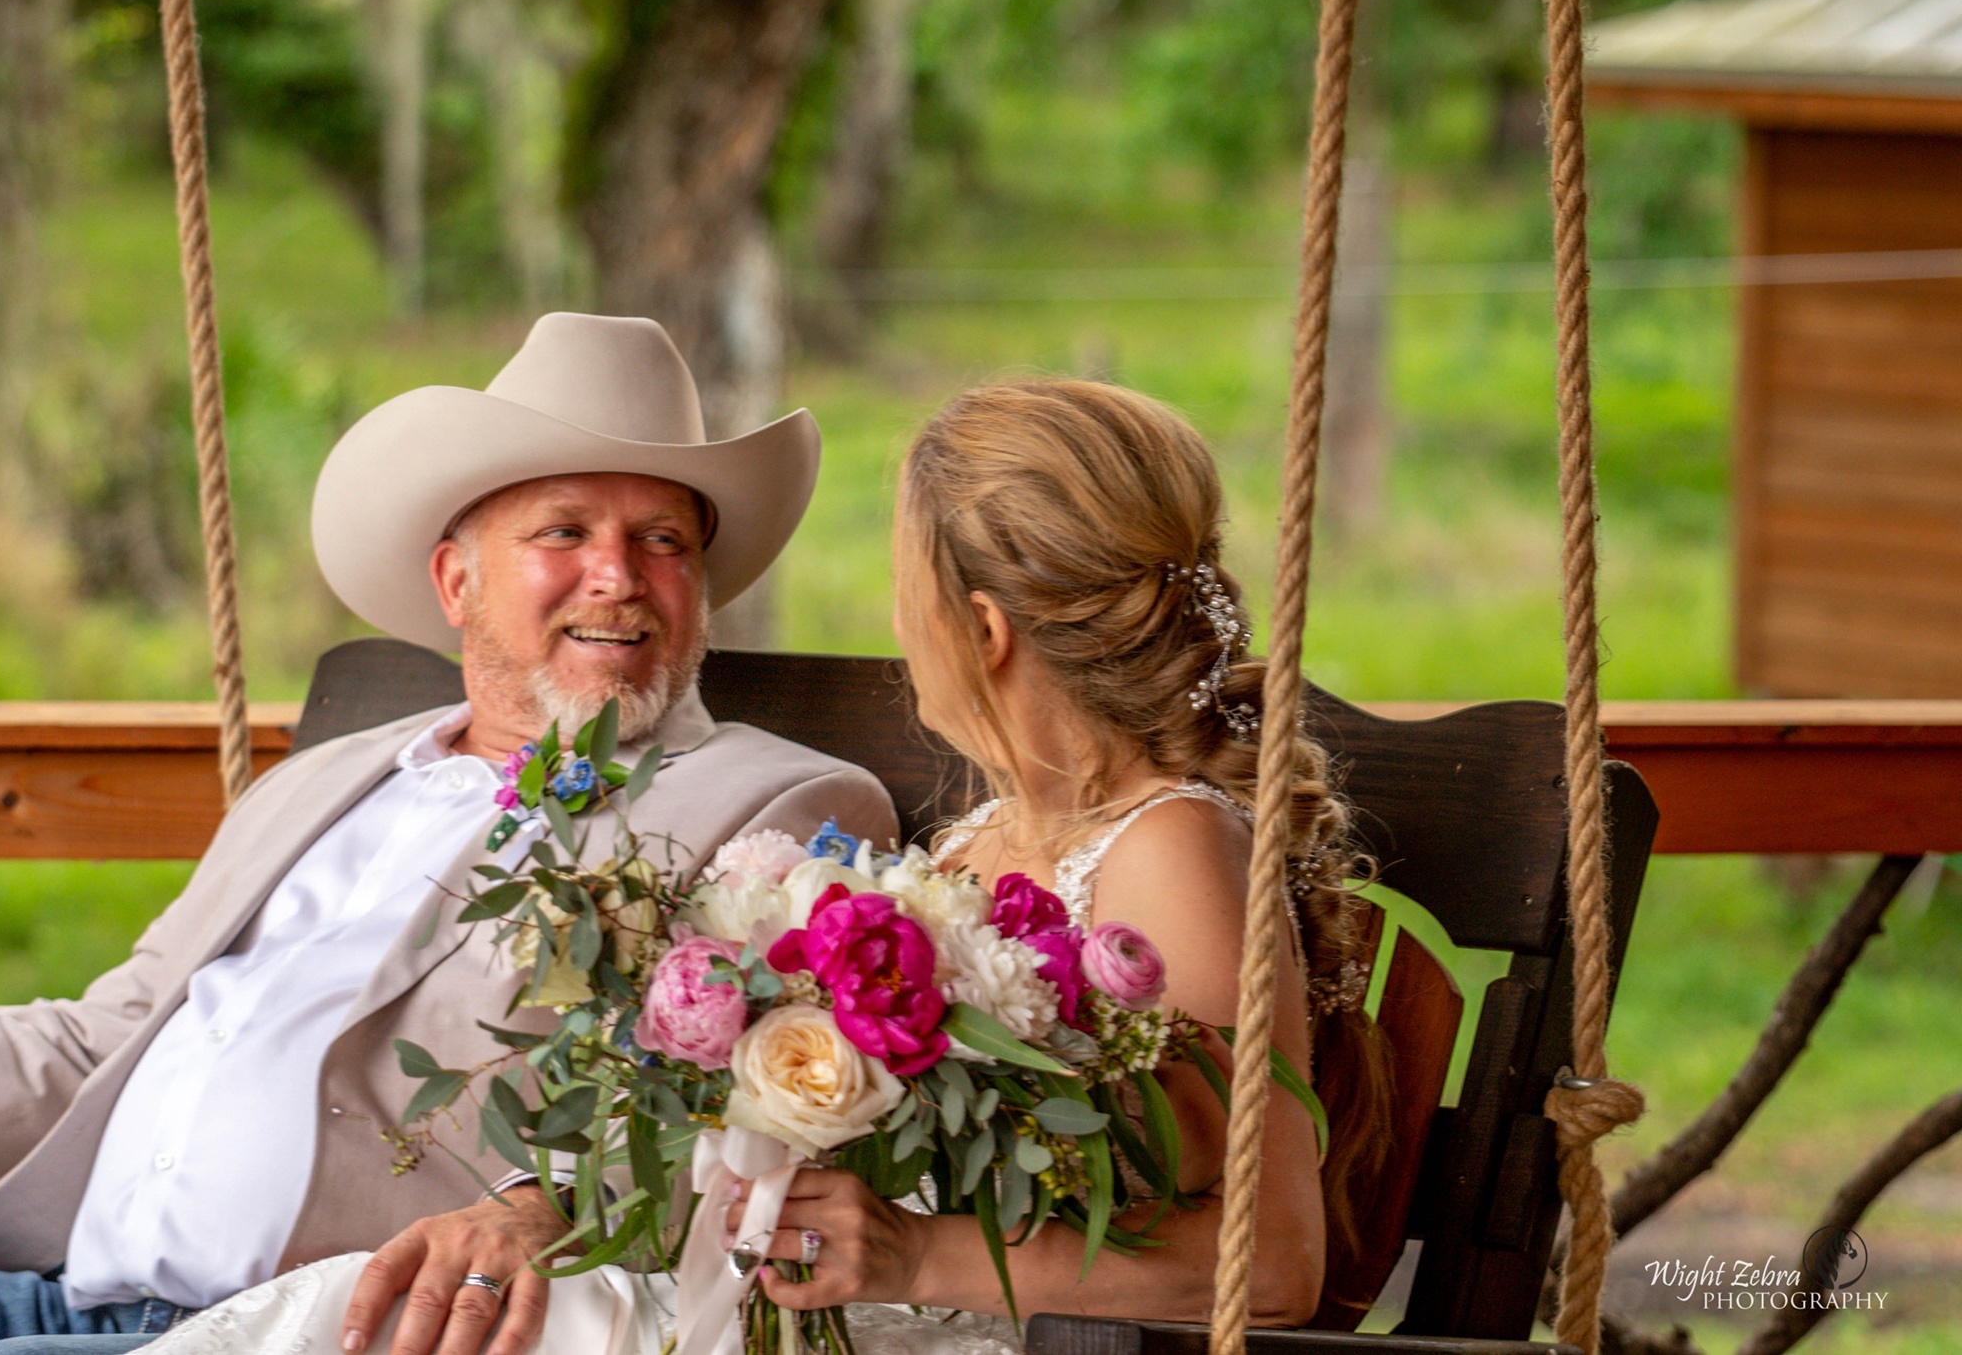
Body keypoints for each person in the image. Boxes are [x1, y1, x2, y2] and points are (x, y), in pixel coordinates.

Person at [111, 377, 1390, 1355]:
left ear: (981, 632)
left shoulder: (1167, 851)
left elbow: (1263, 1265)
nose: (897, 628)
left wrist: (911, 1255)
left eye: (906, 591)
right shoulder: (970, 848)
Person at [0, 313, 898, 1355]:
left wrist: (546, 1207)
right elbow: (103, 1042)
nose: (616, 575)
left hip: (316, 1329)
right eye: (564, 531)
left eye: (662, 540)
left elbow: (752, 1122)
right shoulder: (323, 779)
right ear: (455, 582)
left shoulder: (775, 808)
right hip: (61, 1289)